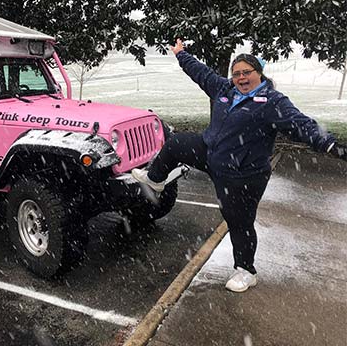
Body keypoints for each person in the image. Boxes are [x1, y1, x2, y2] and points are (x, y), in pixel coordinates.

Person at [132, 38, 347, 292]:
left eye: (247, 72)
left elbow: (302, 125)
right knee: (176, 143)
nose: (241, 78)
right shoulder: (225, 90)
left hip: (242, 173)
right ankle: (156, 178)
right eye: (237, 74)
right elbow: (201, 73)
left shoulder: (272, 102)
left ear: (259, 74)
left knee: (238, 222)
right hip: (212, 154)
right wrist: (181, 54)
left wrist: (331, 146)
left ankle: (246, 271)